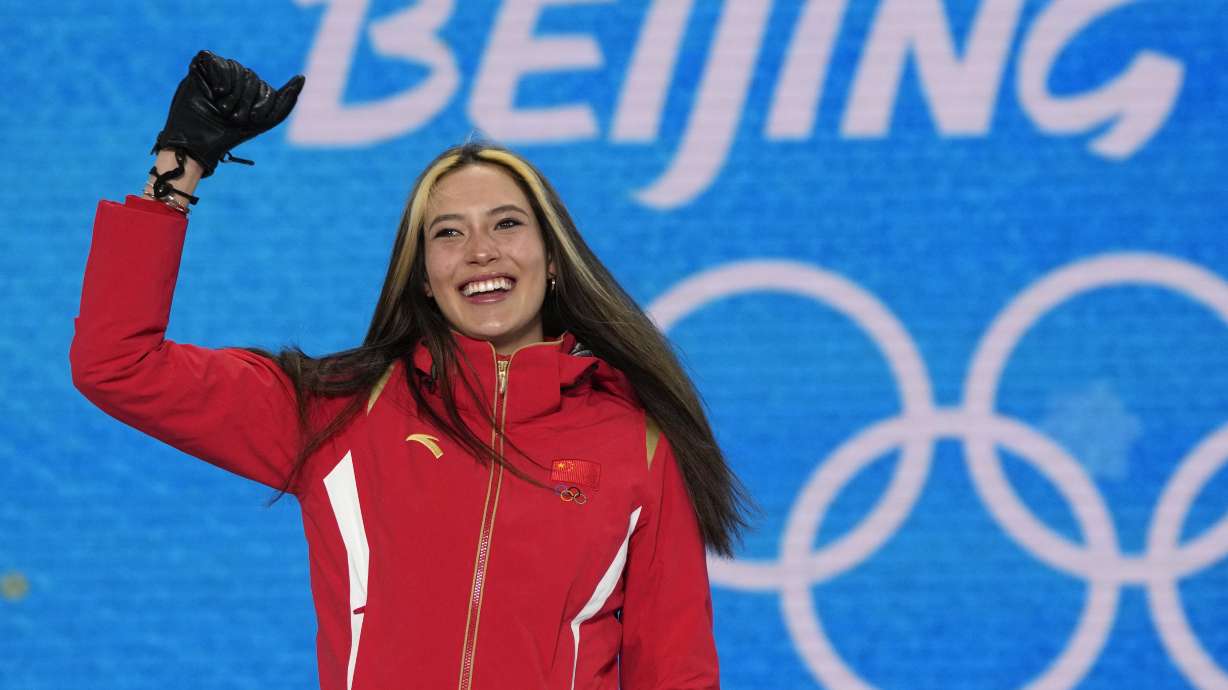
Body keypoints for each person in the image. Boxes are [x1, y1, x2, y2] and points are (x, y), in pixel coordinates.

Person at [70, 51, 750, 690]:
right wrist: (179, 166)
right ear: (424, 276)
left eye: (507, 224)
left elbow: (677, 674)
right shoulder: (341, 412)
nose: (480, 251)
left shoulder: (637, 446)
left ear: (552, 261)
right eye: (448, 233)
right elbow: (118, 364)